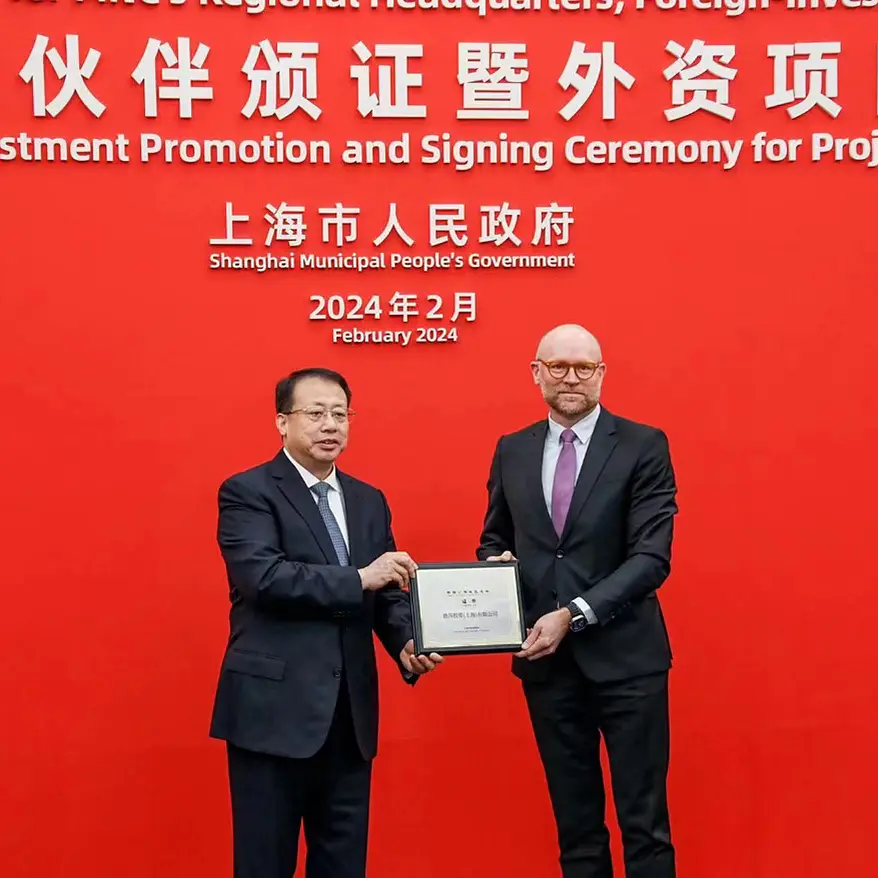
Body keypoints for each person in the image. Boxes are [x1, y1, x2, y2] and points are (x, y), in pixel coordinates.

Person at [209, 367, 443, 878]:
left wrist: (406, 641)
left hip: (349, 716)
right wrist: (360, 577)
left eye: (340, 414)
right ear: (281, 422)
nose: (330, 424)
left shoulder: (367, 499)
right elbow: (264, 578)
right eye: (315, 413)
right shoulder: (247, 491)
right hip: (272, 713)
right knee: (264, 862)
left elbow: (386, 593)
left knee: (342, 863)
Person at [477, 324, 678, 878]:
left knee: (646, 824)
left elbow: (651, 558)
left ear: (602, 374)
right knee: (576, 826)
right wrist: (496, 566)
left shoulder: (643, 444)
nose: (571, 378)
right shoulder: (512, 449)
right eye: (558, 366)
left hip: (628, 663)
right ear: (536, 371)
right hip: (547, 667)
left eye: (584, 368)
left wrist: (574, 613)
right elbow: (495, 537)